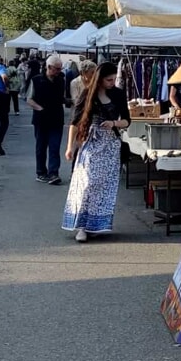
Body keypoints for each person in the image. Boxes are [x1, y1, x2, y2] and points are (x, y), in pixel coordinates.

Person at [63, 62, 130, 242]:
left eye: (114, 79)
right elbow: (75, 122)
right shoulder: (87, 94)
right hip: (91, 142)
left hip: (110, 145)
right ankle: (81, 226)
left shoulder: (117, 94)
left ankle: (94, 225)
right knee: (87, 183)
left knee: (104, 187)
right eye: (109, 80)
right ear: (99, 79)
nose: (112, 83)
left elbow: (127, 120)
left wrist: (114, 123)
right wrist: (70, 147)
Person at [27, 54, 66, 185]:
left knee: (54, 147)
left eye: (60, 69)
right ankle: (41, 172)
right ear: (49, 67)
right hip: (41, 119)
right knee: (41, 147)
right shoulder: (36, 80)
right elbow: (29, 99)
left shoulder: (61, 80)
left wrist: (70, 101)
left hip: (57, 118)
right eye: (57, 69)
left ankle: (53, 173)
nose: (59, 71)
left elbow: (62, 98)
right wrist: (40, 108)